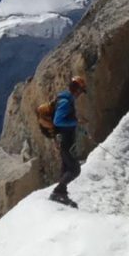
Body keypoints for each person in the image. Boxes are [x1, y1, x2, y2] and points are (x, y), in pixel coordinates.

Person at [47, 76, 86, 205]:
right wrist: (76, 121)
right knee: (74, 169)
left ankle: (61, 194)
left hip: (65, 139)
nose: (80, 94)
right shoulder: (65, 102)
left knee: (66, 167)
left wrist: (80, 128)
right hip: (65, 140)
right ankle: (58, 192)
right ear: (76, 90)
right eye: (81, 91)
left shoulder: (67, 100)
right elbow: (58, 121)